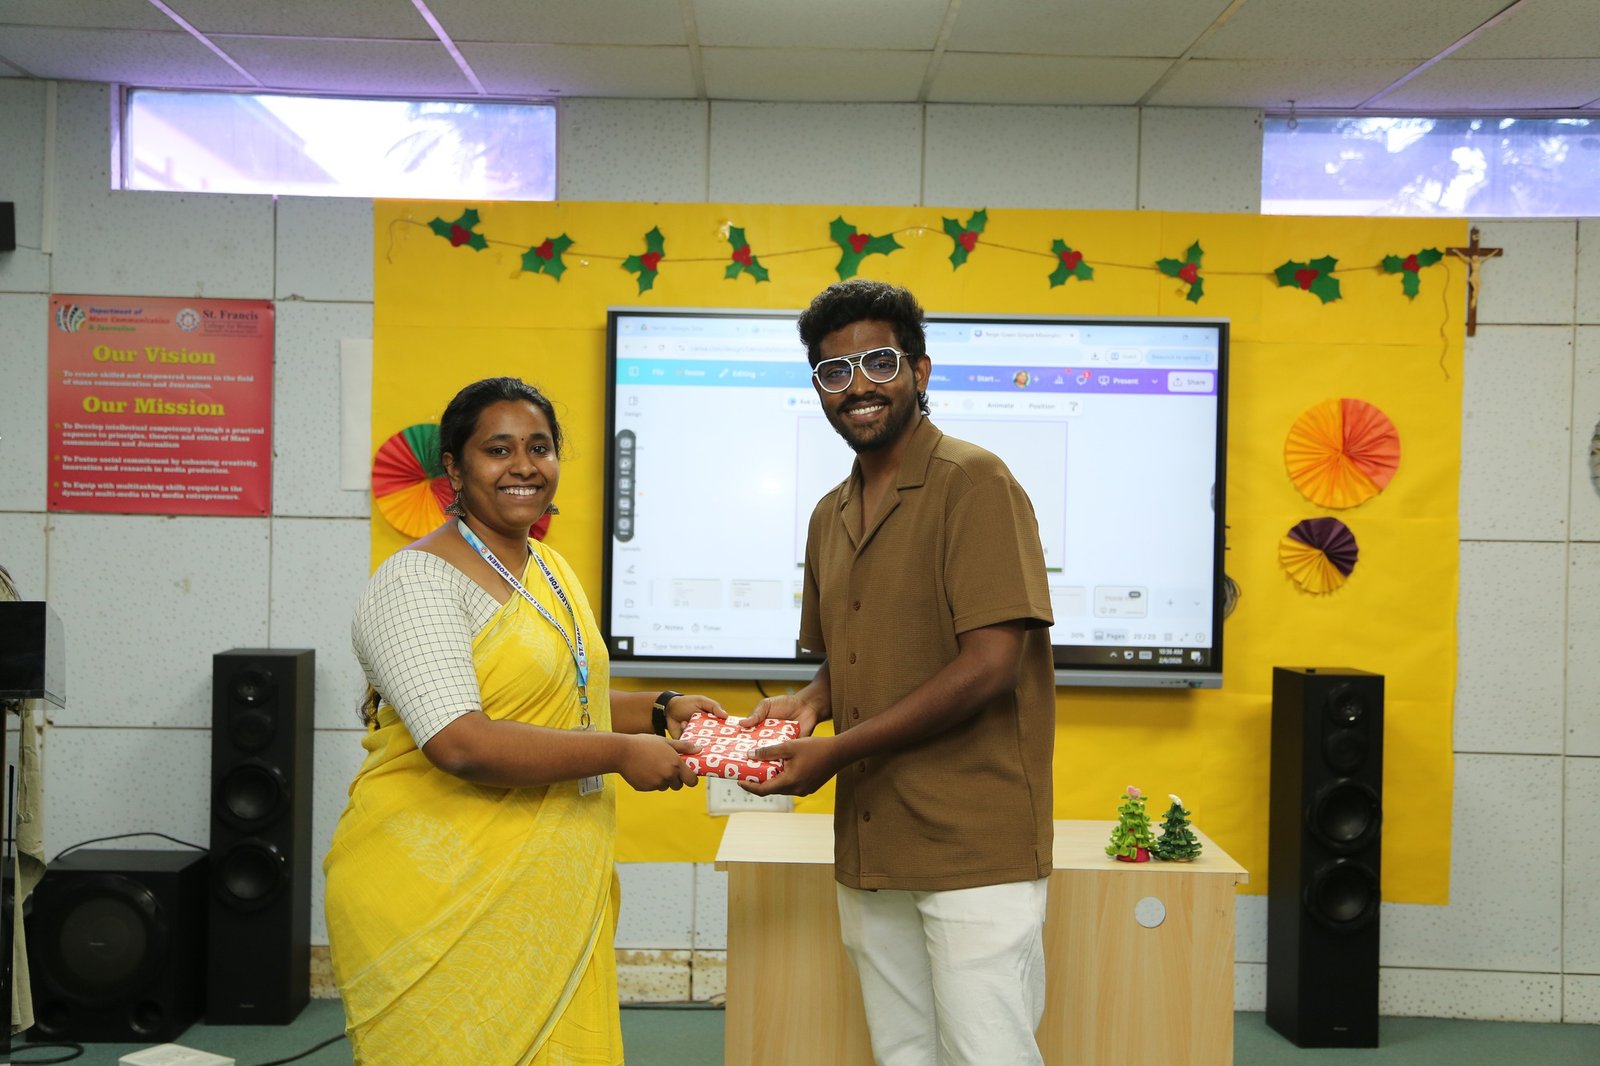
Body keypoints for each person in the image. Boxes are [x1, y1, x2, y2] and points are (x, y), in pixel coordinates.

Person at [324, 376, 722, 1065]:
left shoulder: (548, 567)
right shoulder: (415, 580)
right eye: (498, 449)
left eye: (539, 447)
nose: (524, 466)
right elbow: (460, 741)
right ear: (455, 468)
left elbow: (568, 697)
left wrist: (661, 710)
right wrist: (621, 753)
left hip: (547, 893)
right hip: (438, 895)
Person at [742, 280, 1057, 1066]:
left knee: (987, 1055)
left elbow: (990, 665)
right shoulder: (829, 512)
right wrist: (808, 703)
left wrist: (835, 752)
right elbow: (851, 656)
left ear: (919, 371)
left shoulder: (974, 482)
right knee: (904, 1053)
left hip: (972, 845)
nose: (858, 386)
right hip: (874, 837)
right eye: (834, 371)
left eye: (878, 363)